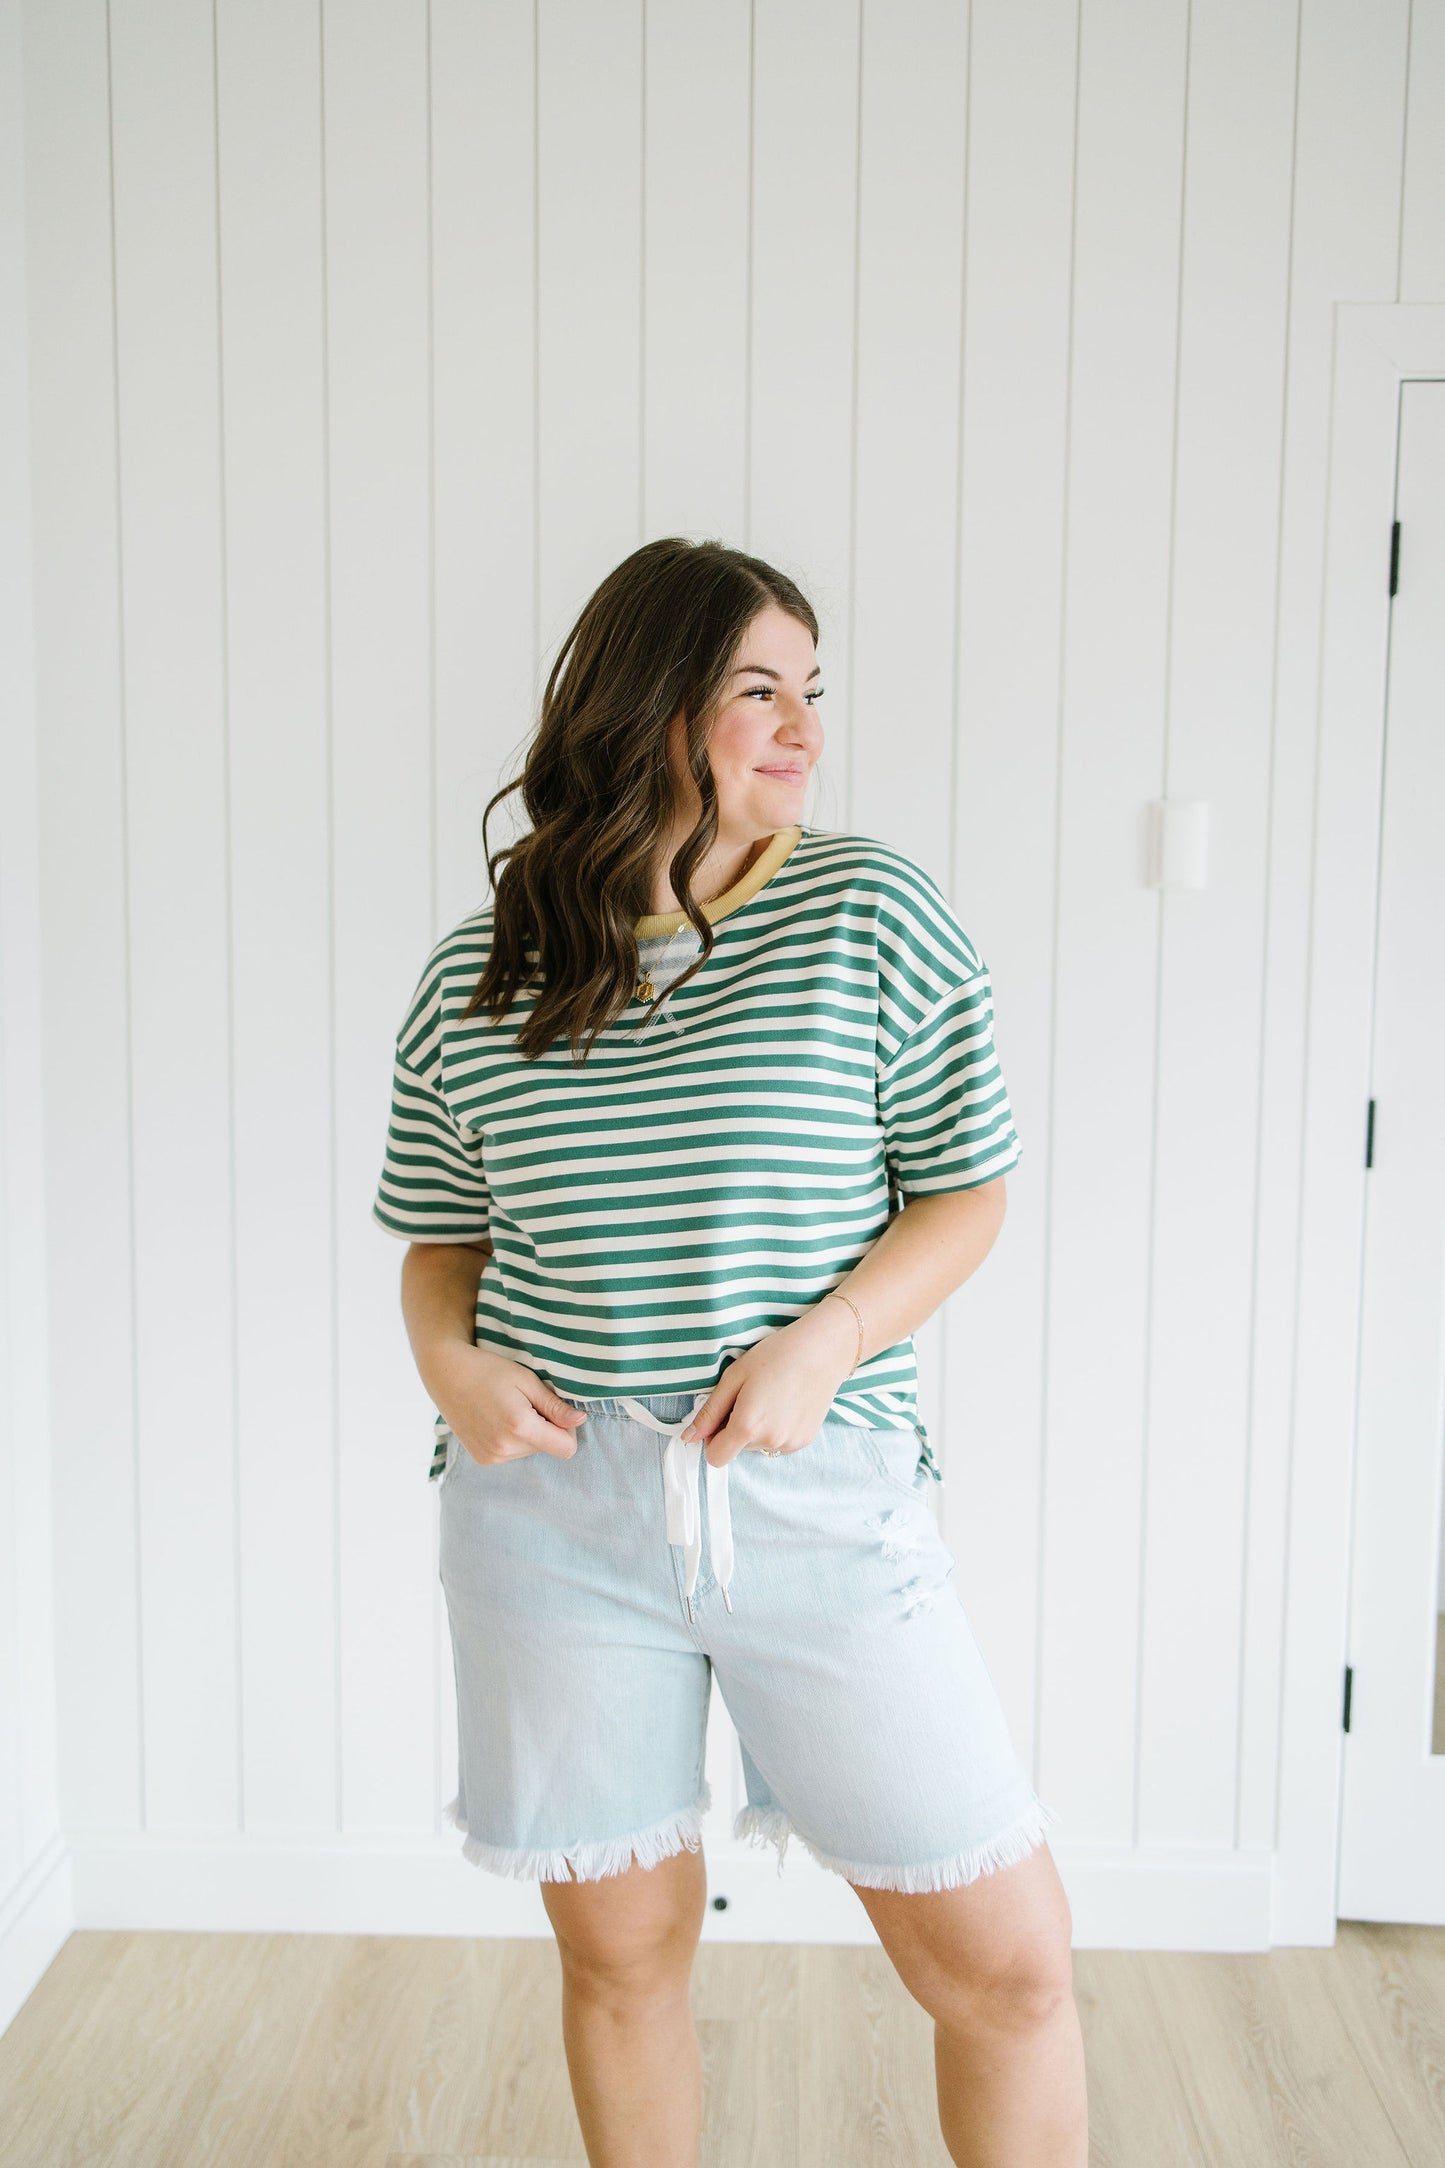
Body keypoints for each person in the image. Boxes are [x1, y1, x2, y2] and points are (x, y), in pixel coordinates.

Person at [371, 537, 1088, 2167]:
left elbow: (967, 1192)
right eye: (758, 688)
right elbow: (440, 1243)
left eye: (811, 691)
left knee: (1007, 1970)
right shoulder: (480, 971)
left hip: (813, 1496)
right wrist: (452, 1370)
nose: (805, 729)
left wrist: (827, 1340)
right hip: (551, 1519)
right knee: (619, 1956)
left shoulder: (866, 914)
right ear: (648, 703)